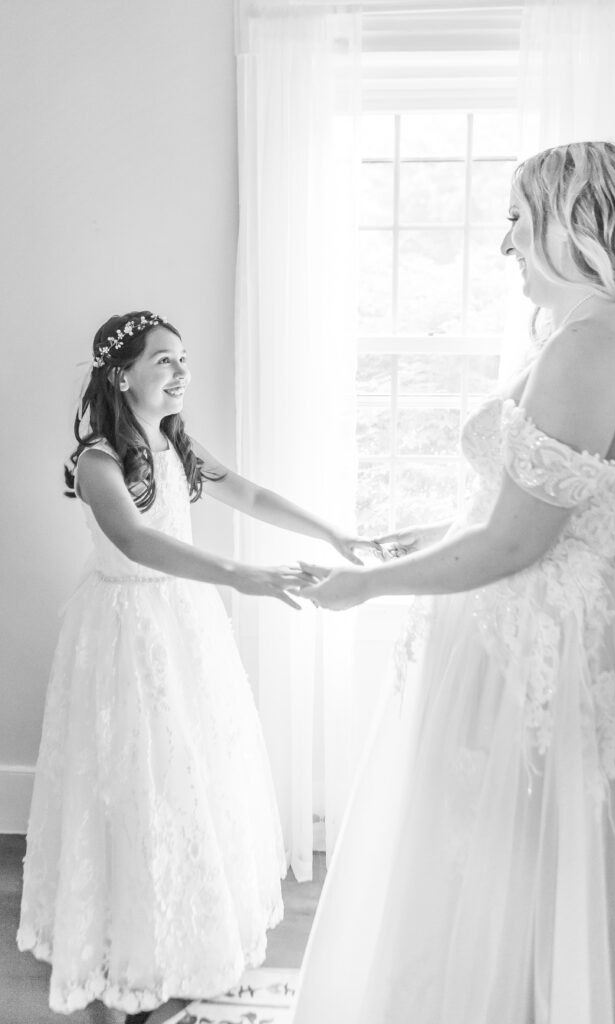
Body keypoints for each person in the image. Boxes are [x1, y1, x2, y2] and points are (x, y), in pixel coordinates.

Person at [291, 142, 615, 1024]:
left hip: (542, 655)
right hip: (529, 638)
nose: (504, 245)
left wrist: (365, 588)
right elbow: (535, 510)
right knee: (497, 870)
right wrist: (423, 539)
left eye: (514, 217)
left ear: (571, 223)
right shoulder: (590, 335)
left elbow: (513, 544)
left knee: (513, 871)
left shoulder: (594, 344)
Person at [17, 311, 376, 1022]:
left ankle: (174, 948)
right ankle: (114, 962)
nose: (181, 372)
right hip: (123, 629)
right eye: (164, 361)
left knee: (191, 782)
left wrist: (331, 530)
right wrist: (237, 573)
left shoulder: (176, 441)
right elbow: (136, 541)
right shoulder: (97, 459)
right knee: (128, 785)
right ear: (123, 375)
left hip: (186, 627)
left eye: (183, 360)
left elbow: (250, 494)